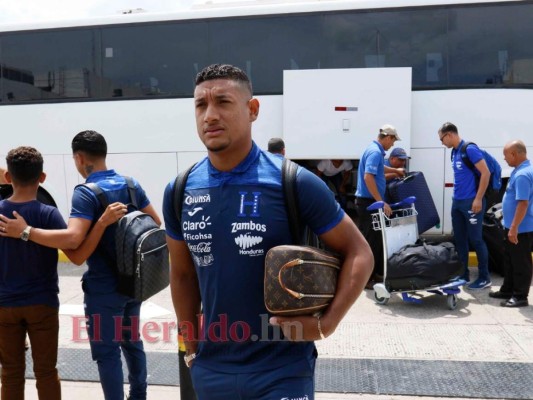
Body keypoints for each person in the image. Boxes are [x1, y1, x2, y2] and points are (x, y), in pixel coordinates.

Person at [162, 63, 373, 400]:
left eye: (223, 102)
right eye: (201, 105)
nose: (210, 115)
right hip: (211, 371)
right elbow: (183, 275)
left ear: (252, 109)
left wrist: (326, 324)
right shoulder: (180, 190)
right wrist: (190, 348)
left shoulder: (294, 182)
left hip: (283, 371)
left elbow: (359, 253)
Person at [0, 131, 161, 400]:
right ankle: (139, 396)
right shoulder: (131, 184)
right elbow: (154, 222)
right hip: (134, 283)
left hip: (103, 289)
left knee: (107, 353)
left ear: (79, 158)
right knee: (132, 343)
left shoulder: (85, 193)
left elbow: (74, 241)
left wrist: (26, 231)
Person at [438, 122, 491, 289]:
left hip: (471, 202)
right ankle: (463, 274)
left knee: (476, 239)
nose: (442, 143)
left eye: (442, 139)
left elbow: (486, 173)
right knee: (460, 239)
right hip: (458, 202)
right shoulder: (455, 152)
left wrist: (478, 199)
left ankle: (484, 277)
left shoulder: (469, 149)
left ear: (450, 135)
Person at [355, 124, 404, 288]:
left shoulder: (373, 150)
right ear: (388, 137)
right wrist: (380, 201)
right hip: (369, 203)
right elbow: (368, 177)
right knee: (371, 242)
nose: (393, 145)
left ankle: (374, 273)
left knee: (376, 239)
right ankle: (366, 279)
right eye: (393, 141)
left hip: (368, 202)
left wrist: (395, 171)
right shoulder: (376, 152)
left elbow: (379, 169)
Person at [489, 140, 533, 307]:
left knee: (520, 262)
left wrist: (514, 228)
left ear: (514, 154)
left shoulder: (522, 175)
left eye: (506, 155)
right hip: (514, 226)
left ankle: (520, 296)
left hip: (521, 228)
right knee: (509, 259)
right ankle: (507, 289)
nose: (504, 158)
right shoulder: (520, 170)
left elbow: (523, 203)